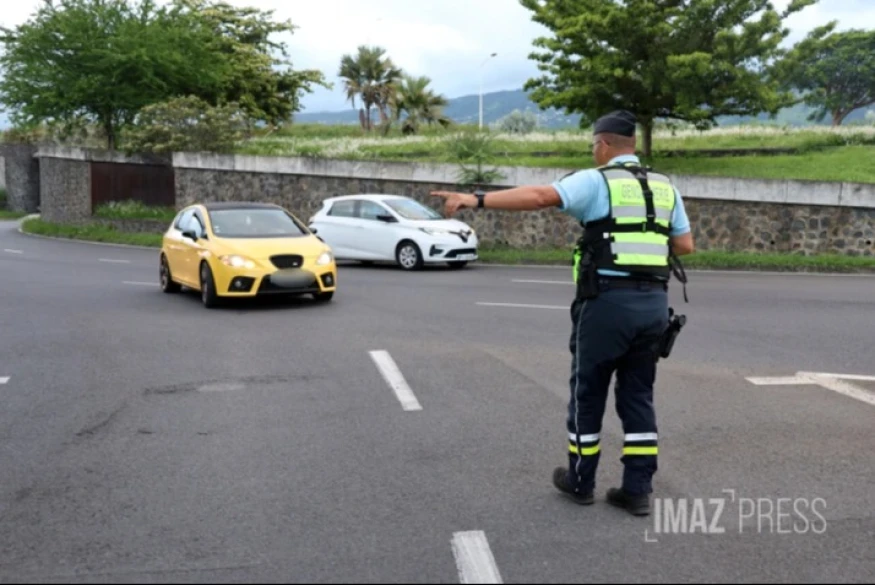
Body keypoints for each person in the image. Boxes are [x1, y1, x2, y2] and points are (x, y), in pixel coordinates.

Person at [431, 110, 694, 517]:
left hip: (607, 304)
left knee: (587, 394)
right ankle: (637, 489)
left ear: (604, 144)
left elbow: (539, 196)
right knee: (639, 395)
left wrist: (474, 199)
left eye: (594, 146)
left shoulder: (597, 180)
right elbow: (685, 244)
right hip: (654, 306)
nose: (593, 153)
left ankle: (580, 481)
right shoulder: (665, 188)